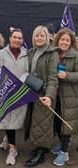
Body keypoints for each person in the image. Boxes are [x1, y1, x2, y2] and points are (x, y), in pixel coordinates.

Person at [0, 28, 28, 165]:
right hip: (4, 92)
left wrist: (20, 82)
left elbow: (28, 72)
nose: (17, 40)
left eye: (20, 38)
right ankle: (13, 149)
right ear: (10, 38)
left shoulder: (26, 54)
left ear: (22, 40)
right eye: (15, 37)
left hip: (19, 93)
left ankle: (8, 138)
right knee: (7, 118)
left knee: (14, 121)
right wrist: (10, 83)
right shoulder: (0, 54)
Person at [24, 25, 59, 167]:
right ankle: (36, 147)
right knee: (34, 122)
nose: (39, 38)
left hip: (44, 94)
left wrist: (49, 96)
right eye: (36, 35)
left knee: (43, 123)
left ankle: (42, 152)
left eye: (42, 35)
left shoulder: (52, 54)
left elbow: (53, 77)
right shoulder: (31, 52)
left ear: (47, 37)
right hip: (31, 92)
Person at [52, 28, 78, 166]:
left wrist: (67, 75)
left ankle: (64, 152)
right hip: (55, 95)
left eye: (68, 40)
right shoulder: (54, 53)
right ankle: (62, 143)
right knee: (57, 122)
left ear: (71, 42)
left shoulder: (76, 55)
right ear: (58, 40)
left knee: (66, 123)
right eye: (62, 39)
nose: (65, 42)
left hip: (69, 96)